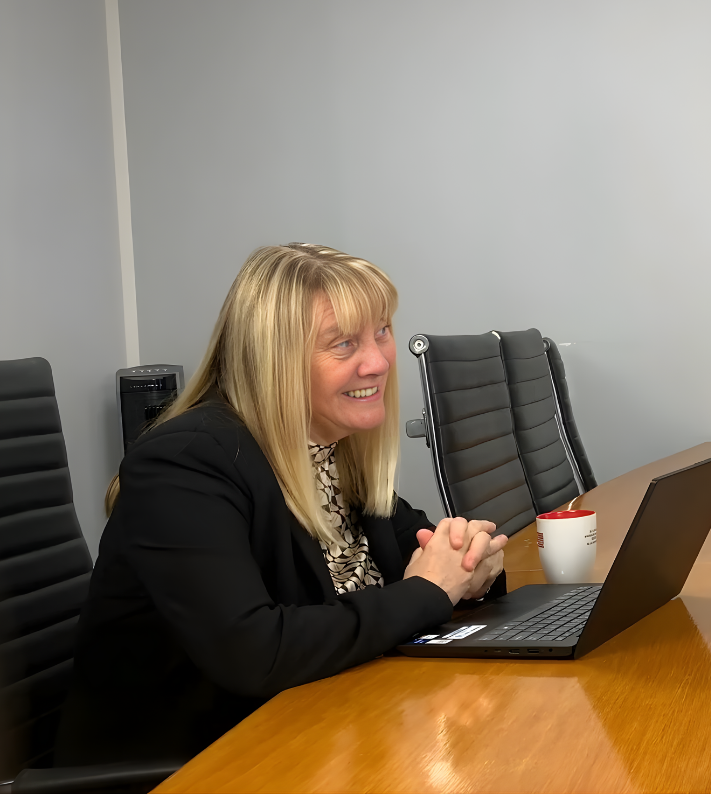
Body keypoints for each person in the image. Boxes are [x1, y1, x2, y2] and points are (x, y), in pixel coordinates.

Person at [56, 243, 509, 765]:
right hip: (201, 762)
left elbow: (425, 556)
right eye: (344, 343)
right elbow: (254, 651)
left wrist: (472, 565)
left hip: (327, 732)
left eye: (381, 331)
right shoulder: (186, 463)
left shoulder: (331, 448)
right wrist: (430, 590)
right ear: (274, 361)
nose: (379, 361)